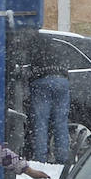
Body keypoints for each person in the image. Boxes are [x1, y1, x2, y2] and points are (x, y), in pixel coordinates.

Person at [26, 30, 71, 167]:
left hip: (41, 81)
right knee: (61, 122)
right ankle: (63, 157)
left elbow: (23, 66)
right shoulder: (55, 46)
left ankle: (41, 158)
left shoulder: (33, 48)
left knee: (41, 122)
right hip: (62, 81)